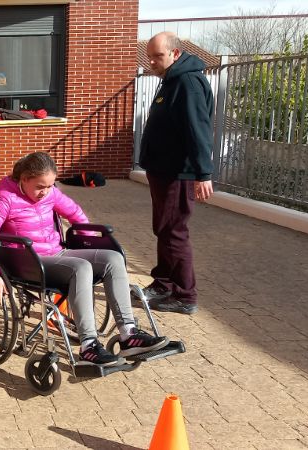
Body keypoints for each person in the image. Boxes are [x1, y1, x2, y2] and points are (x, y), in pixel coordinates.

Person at [0, 152, 169, 366]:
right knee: (80, 267)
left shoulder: (51, 194)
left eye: (50, 186)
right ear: (24, 179)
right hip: (29, 262)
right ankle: (89, 346)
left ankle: (129, 334)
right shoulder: (7, 199)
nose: (45, 192)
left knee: (113, 258)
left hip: (57, 253)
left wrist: (88, 242)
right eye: (40, 187)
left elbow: (75, 213)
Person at [139, 31, 215, 315]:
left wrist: (203, 173)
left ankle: (184, 295)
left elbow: (198, 129)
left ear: (175, 54)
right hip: (163, 171)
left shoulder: (187, 83)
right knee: (164, 228)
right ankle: (163, 284)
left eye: (158, 56)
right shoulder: (171, 80)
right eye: (149, 56)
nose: (152, 62)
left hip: (177, 174)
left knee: (174, 231)